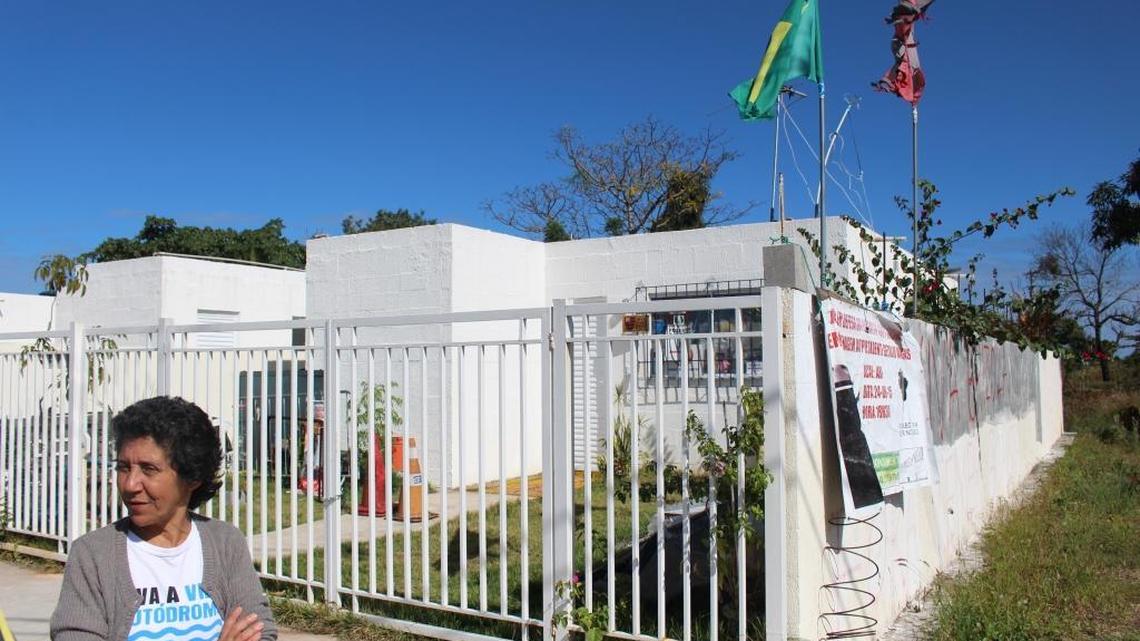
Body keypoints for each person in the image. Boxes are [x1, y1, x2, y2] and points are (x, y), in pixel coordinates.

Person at [51, 396, 277, 641]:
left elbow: (259, 630)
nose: (130, 484)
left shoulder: (225, 543)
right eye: (124, 467)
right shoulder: (93, 556)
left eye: (149, 469)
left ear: (192, 477)